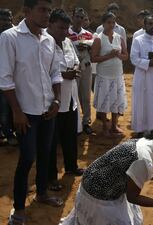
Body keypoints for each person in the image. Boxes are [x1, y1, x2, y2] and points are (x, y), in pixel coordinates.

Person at [0, 1, 65, 224]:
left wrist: (56, 99)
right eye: (42, 9)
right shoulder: (10, 38)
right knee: (27, 158)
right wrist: (16, 112)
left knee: (46, 154)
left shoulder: (48, 39)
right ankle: (18, 208)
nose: (47, 14)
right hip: (25, 112)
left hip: (47, 110)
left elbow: (55, 72)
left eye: (49, 10)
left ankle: (42, 193)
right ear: (26, 12)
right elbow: (5, 79)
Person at [60, 123, 153, 225]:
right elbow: (132, 197)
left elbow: (137, 173)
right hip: (97, 195)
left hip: (95, 183)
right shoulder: (144, 159)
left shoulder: (148, 144)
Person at [46, 9, 85, 193]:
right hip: (52, 101)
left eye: (66, 28)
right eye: (61, 28)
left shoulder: (68, 42)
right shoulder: (44, 44)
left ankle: (71, 166)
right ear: (50, 24)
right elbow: (43, 72)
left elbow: (76, 60)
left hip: (70, 97)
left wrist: (75, 69)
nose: (64, 32)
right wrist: (65, 74)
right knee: (51, 142)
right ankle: (51, 178)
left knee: (70, 136)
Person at [91, 12, 128, 137]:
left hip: (117, 74)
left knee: (116, 101)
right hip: (104, 75)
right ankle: (105, 128)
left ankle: (114, 125)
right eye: (109, 22)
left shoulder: (119, 37)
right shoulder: (98, 39)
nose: (111, 25)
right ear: (103, 23)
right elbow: (93, 58)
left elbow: (125, 55)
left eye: (113, 22)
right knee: (104, 102)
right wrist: (109, 56)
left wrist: (118, 55)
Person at [68, 8, 95, 135]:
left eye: (82, 17)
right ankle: (75, 123)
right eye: (77, 17)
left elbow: (95, 52)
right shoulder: (66, 33)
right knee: (73, 96)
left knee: (86, 96)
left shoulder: (89, 35)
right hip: (72, 68)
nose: (79, 20)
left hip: (86, 67)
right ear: (72, 17)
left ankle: (86, 122)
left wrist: (87, 46)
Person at [0, 8, 17, 146]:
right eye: (3, 19)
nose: (6, 22)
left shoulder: (15, 34)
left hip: (13, 79)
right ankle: (7, 134)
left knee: (10, 108)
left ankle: (12, 133)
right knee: (4, 110)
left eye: (9, 19)